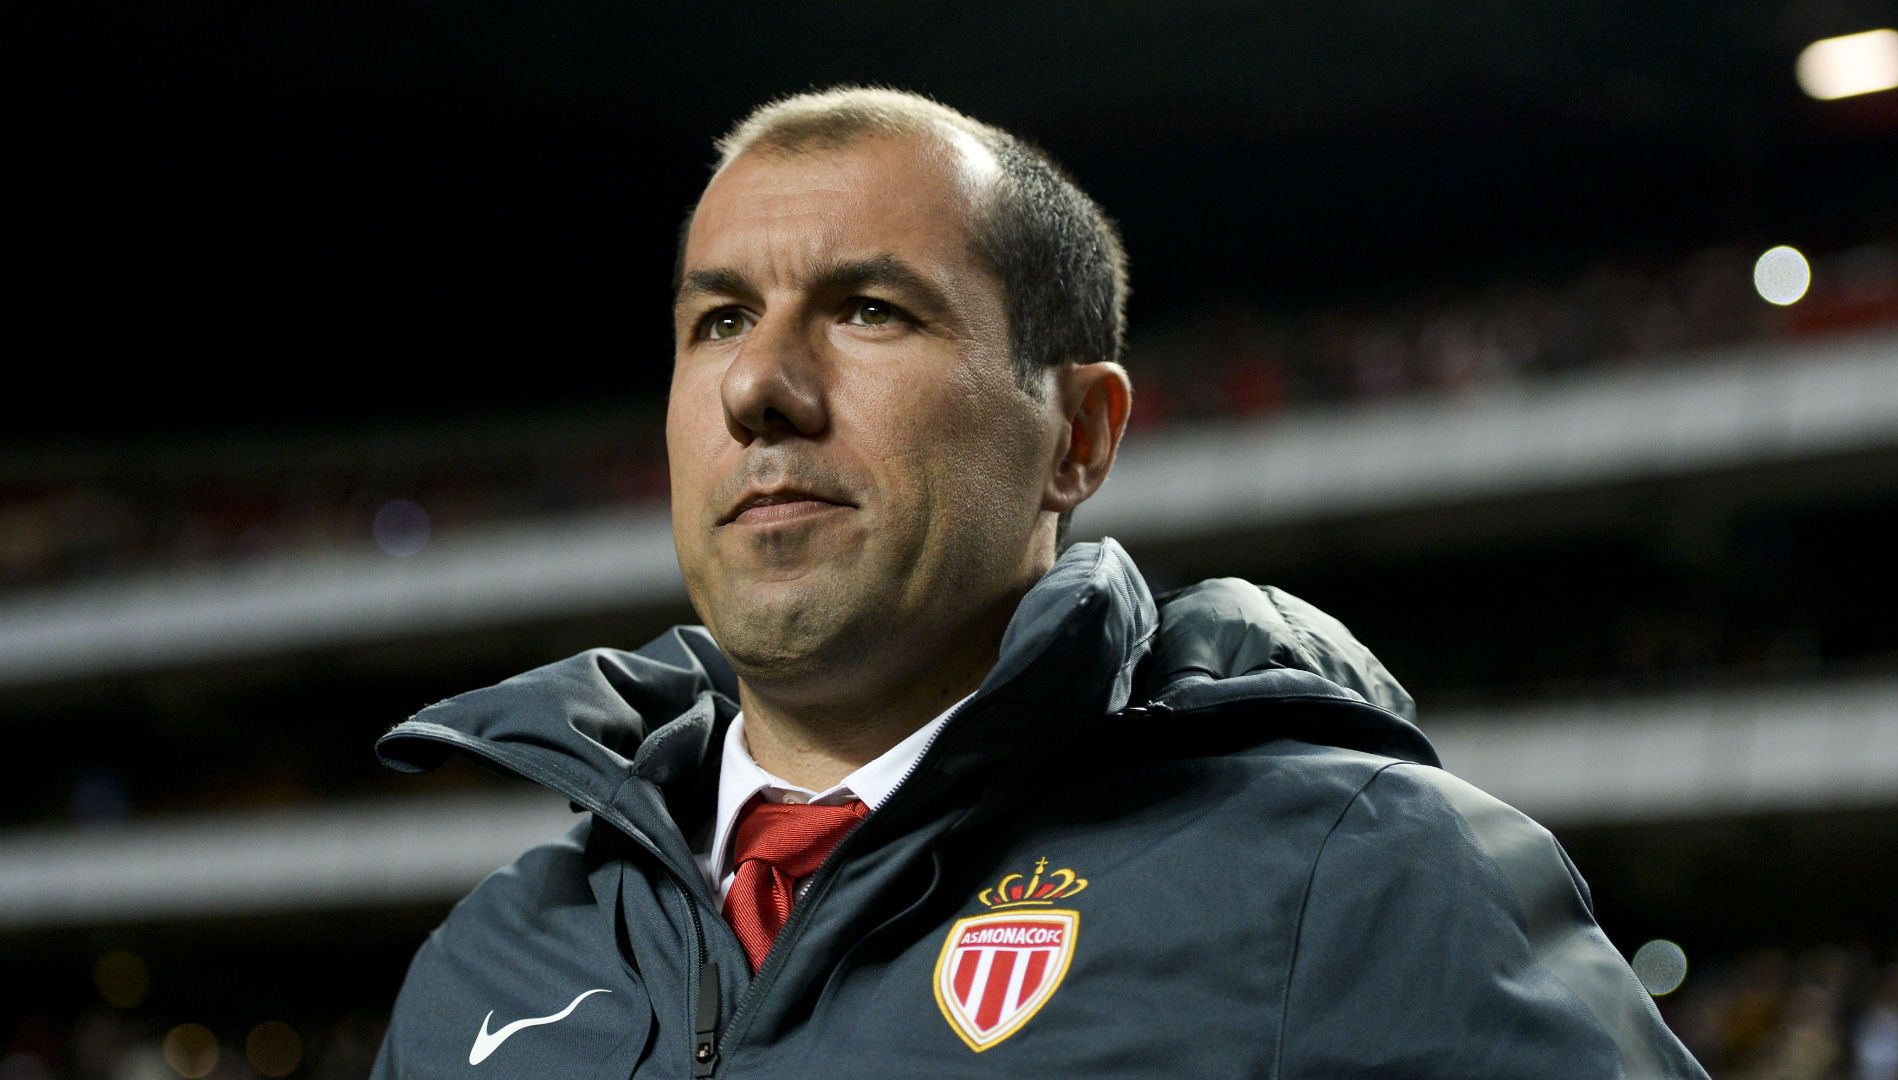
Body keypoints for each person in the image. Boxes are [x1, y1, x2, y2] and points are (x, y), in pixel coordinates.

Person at [371, 87, 1707, 1078]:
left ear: (1077, 437)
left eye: (870, 310)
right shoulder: (495, 955)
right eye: (718, 319)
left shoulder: (1350, 879)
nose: (757, 386)